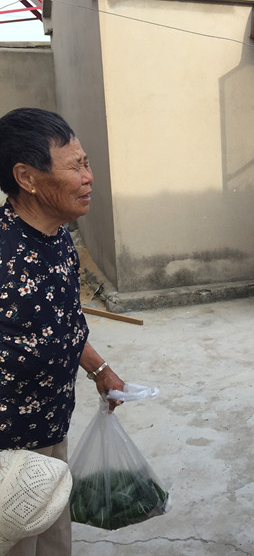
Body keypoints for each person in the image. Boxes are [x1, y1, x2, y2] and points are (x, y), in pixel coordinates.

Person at [0, 107, 125, 556]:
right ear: (26, 177)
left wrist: (99, 369)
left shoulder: (59, 240)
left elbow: (65, 324)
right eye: (75, 167)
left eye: (86, 163)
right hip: (8, 451)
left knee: (54, 542)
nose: (88, 178)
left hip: (51, 426)